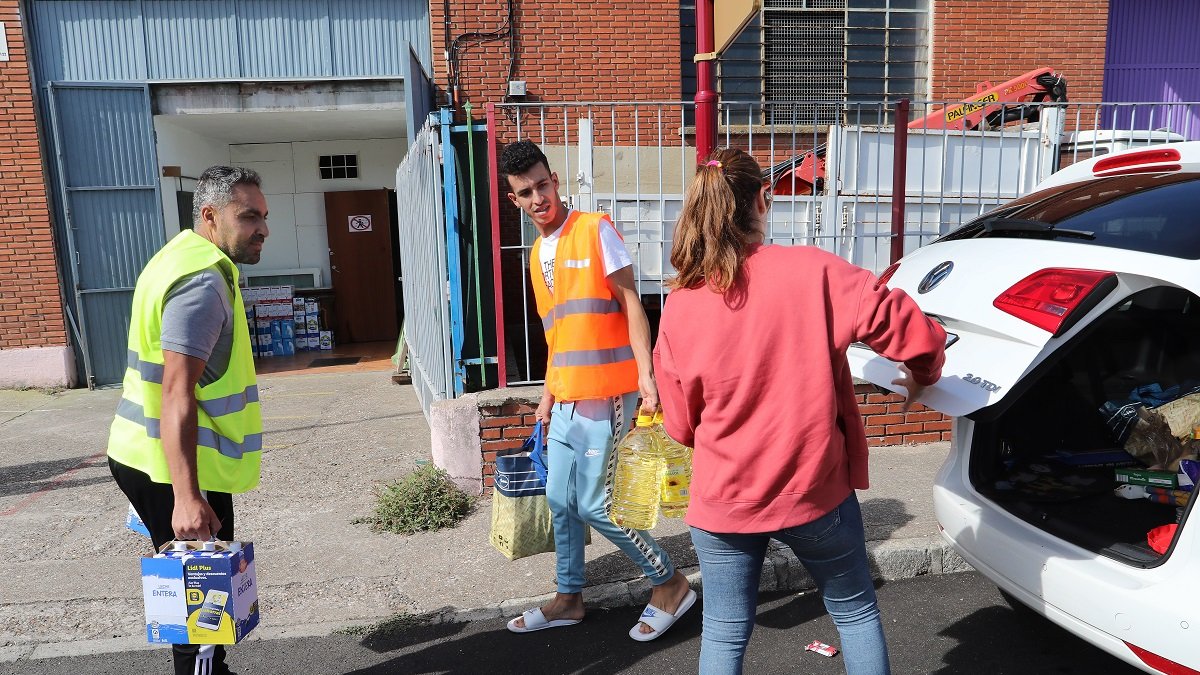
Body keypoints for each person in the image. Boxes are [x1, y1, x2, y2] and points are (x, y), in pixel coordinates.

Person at [653, 148, 947, 674]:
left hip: (725, 498)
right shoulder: (816, 272)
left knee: (722, 632)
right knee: (855, 613)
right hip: (815, 491)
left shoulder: (680, 303)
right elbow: (912, 330)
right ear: (762, 201)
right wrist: (922, 378)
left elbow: (679, 424)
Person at [498, 140, 695, 641]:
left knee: (595, 505)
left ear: (555, 180)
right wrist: (547, 396)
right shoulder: (538, 253)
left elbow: (633, 303)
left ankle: (669, 583)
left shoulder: (594, 229)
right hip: (565, 399)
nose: (539, 197)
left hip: (609, 394)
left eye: (543, 184)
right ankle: (569, 598)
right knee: (560, 502)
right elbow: (559, 336)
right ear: (513, 198)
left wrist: (647, 378)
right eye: (527, 192)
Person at [107, 166, 269, 675]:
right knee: (199, 614)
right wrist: (184, 497)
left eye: (264, 216)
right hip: (175, 468)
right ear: (209, 216)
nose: (263, 228)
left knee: (201, 605)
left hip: (150, 457)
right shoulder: (202, 281)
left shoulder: (178, 256)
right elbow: (176, 391)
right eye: (248, 217)